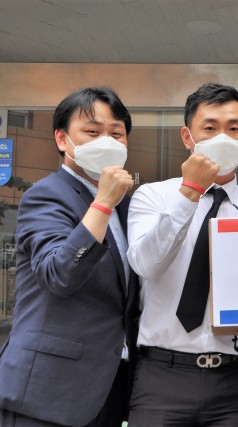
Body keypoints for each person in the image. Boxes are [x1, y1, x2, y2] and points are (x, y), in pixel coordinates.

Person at [126, 83, 238, 426]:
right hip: (162, 375)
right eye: (210, 128)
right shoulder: (153, 197)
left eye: (234, 128)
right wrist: (190, 194)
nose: (223, 137)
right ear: (188, 136)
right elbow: (145, 264)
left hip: (233, 379)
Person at [0, 87, 140, 426]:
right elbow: (59, 274)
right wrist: (102, 203)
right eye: (92, 132)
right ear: (63, 139)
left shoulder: (126, 206)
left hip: (109, 390)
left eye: (116, 133)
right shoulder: (46, 195)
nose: (106, 141)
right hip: (46, 391)